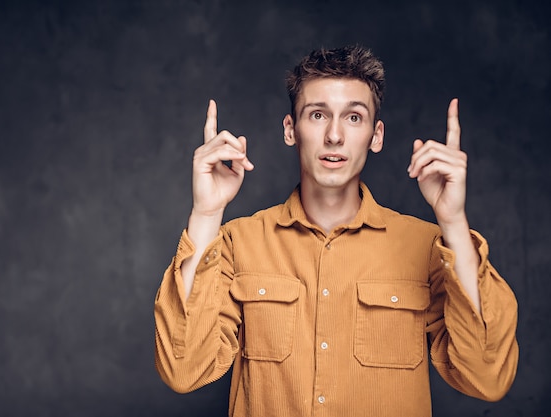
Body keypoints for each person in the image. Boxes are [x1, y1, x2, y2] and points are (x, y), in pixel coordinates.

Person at [154, 45, 518, 417]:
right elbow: (184, 371)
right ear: (290, 130)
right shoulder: (238, 241)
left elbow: (486, 378)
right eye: (317, 115)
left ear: (376, 136)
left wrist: (454, 222)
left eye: (354, 118)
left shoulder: (425, 247)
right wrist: (206, 212)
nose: (334, 136)